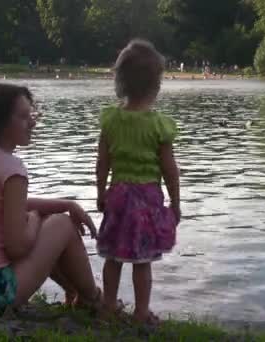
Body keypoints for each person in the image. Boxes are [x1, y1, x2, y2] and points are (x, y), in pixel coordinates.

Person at [0, 84, 104, 312]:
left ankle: (74, 292)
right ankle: (93, 299)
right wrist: (36, 217)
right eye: (24, 116)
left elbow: (4, 206)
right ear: (0, 122)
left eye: (32, 114)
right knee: (61, 224)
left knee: (49, 218)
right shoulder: (12, 167)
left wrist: (67, 204)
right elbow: (17, 248)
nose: (33, 122)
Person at [95, 39, 181, 325]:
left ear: (120, 81)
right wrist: (176, 203)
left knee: (112, 255)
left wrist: (101, 192)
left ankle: (108, 306)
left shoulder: (110, 120)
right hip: (147, 198)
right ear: (155, 84)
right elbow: (170, 170)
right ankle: (141, 312)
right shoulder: (158, 125)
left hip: (118, 195)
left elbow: (102, 163)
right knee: (142, 260)